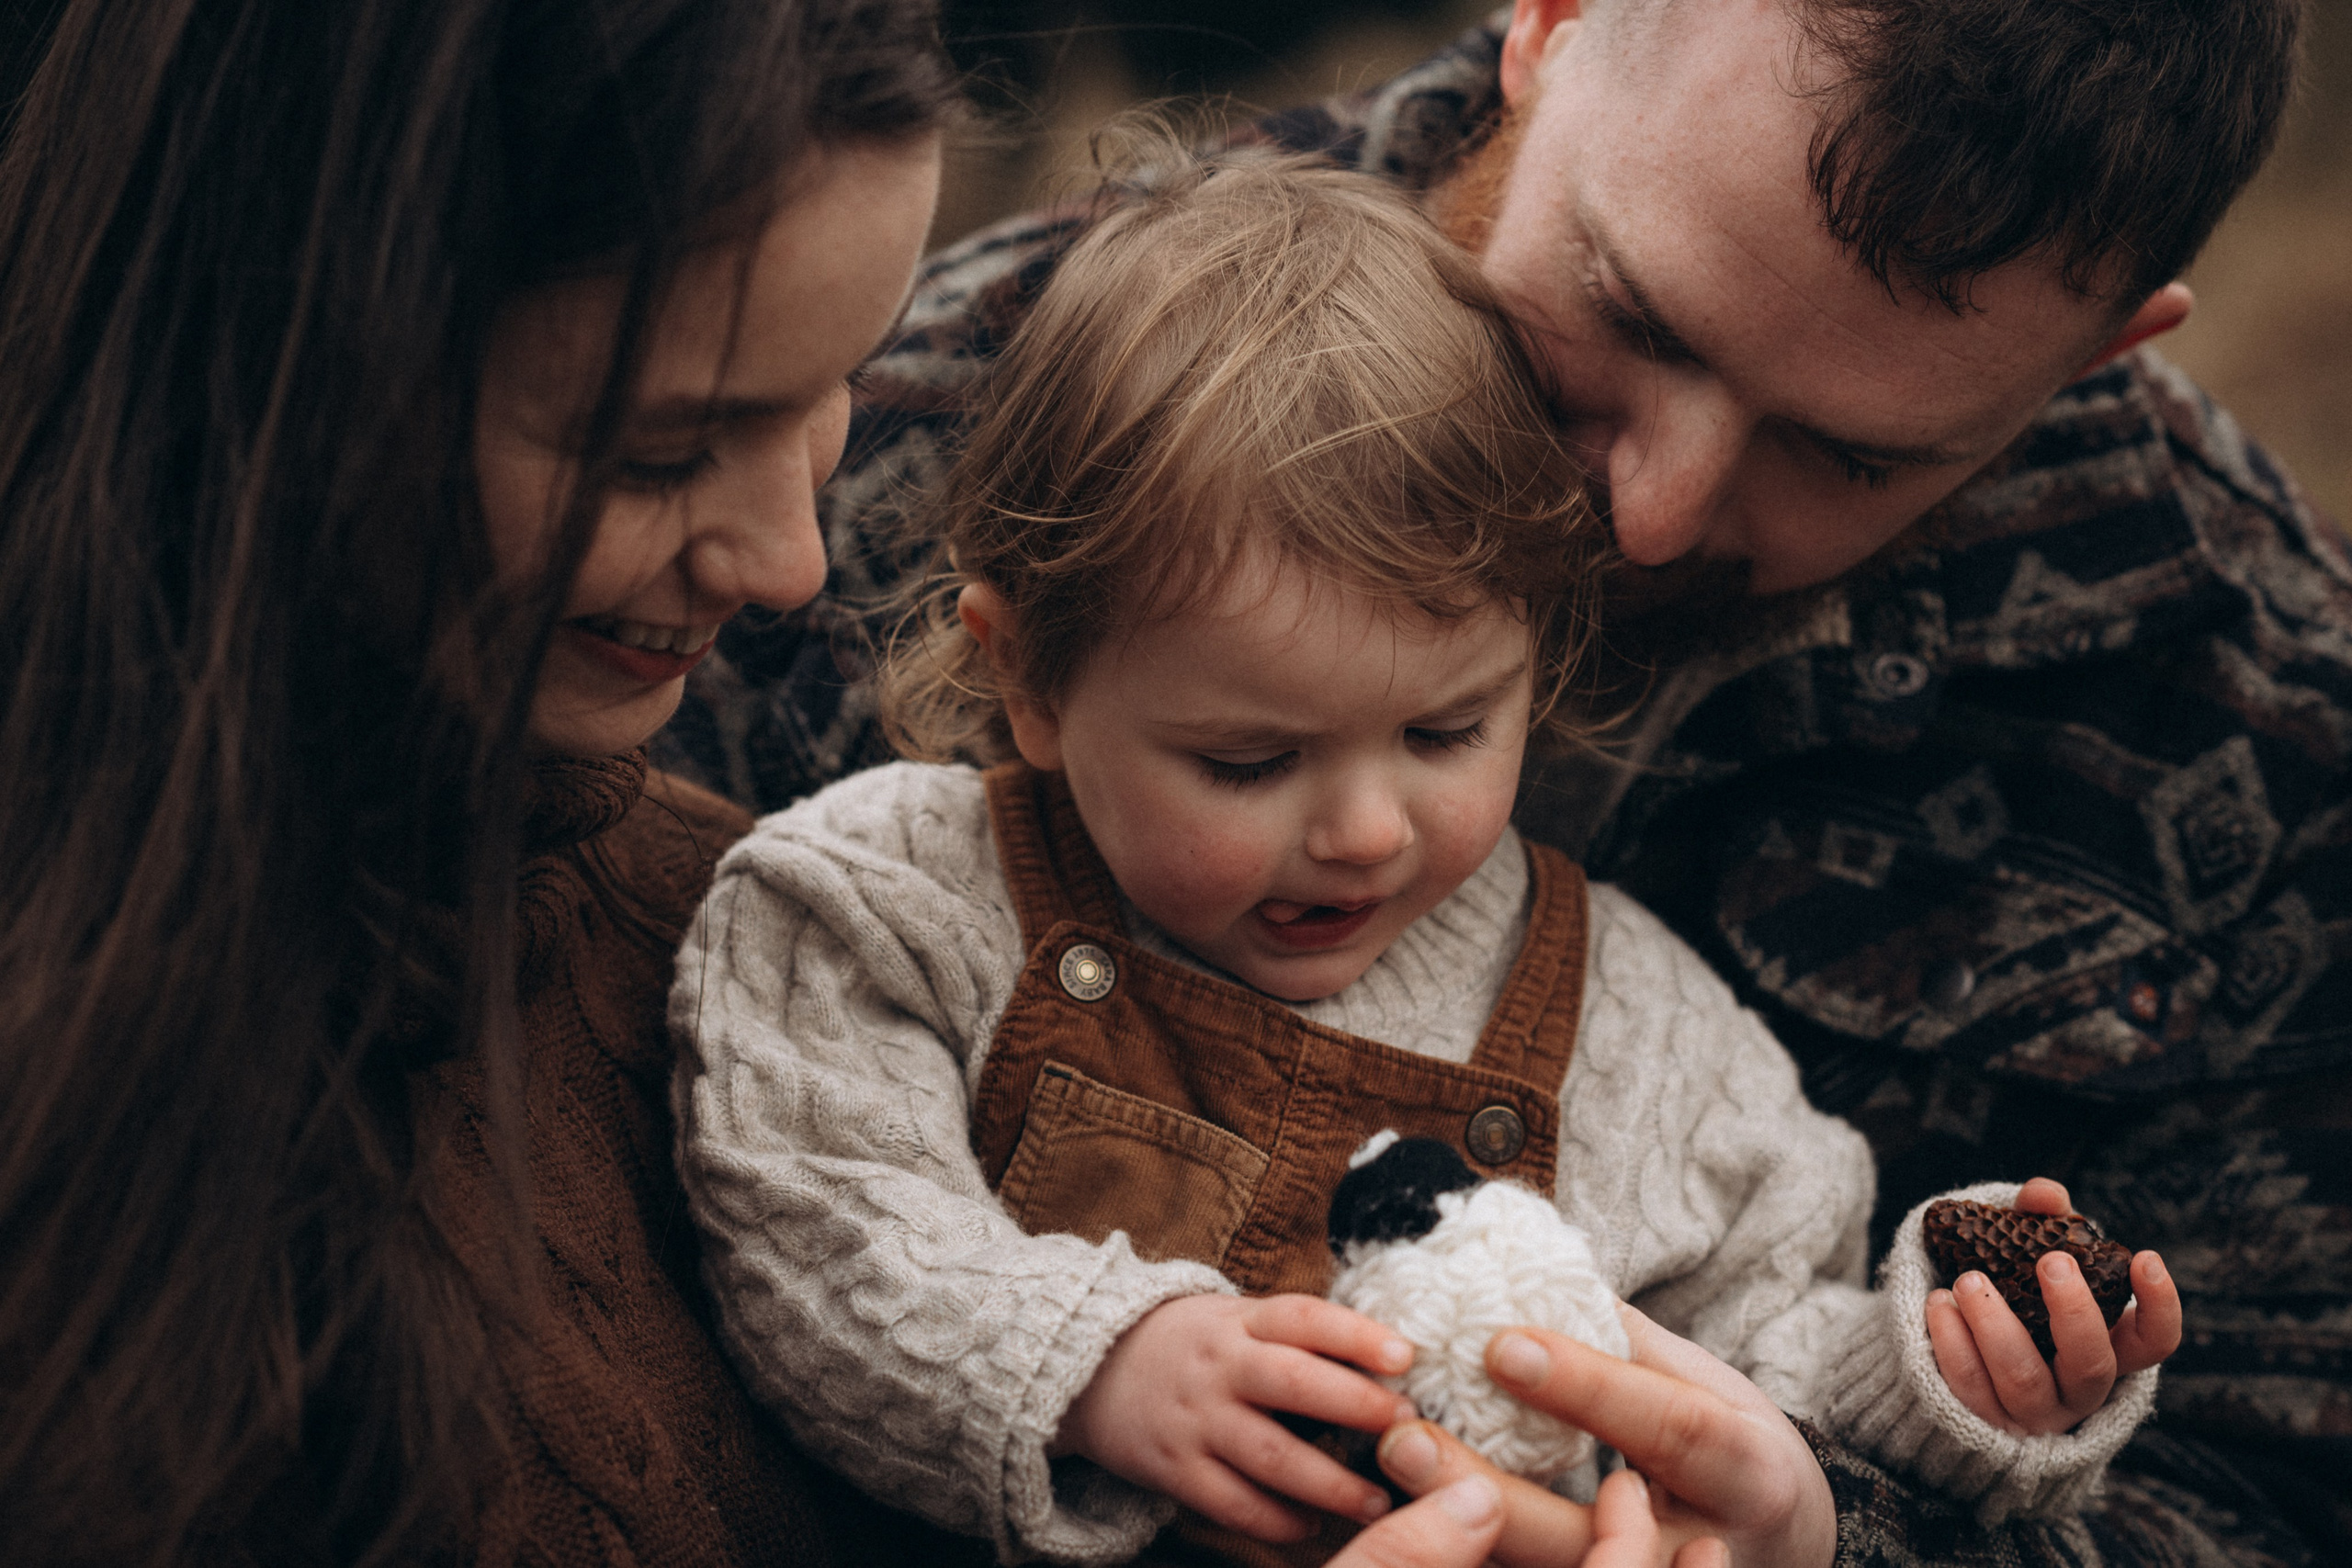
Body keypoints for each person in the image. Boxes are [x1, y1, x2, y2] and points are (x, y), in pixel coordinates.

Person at [659, 1, 2350, 1564]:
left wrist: (1855, 1503)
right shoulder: (912, 414)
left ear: (2103, 351)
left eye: (1856, 454)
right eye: (1629, 316)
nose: (1650, 521)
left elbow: (2252, 1502)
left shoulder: (2273, 723)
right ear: (1550, 19)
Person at [0, 1, 1019, 1562]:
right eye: (661, 450)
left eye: (837, 387)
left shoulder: (748, 951)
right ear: (286, 355)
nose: (792, 563)